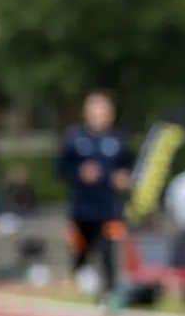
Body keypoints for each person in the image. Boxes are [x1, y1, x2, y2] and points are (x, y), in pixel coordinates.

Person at [57, 92, 134, 301]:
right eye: (95, 110)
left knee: (109, 251)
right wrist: (80, 173)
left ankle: (110, 293)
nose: (99, 115)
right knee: (80, 253)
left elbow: (128, 169)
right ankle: (84, 281)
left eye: (103, 111)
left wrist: (124, 178)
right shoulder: (74, 138)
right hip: (82, 210)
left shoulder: (119, 139)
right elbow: (61, 170)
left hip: (109, 209)